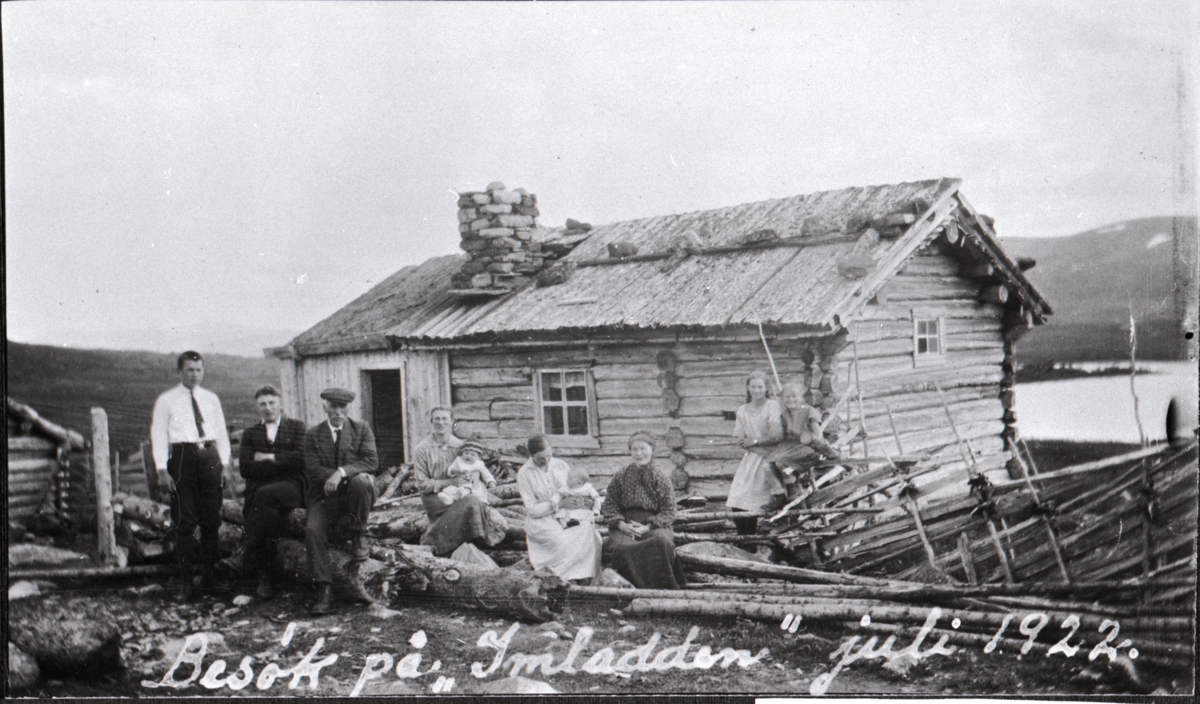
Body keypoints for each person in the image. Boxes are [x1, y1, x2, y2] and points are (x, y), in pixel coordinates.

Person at [151, 351, 232, 602]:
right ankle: (186, 582)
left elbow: (221, 433)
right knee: (184, 522)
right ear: (180, 372)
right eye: (189, 370)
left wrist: (225, 464)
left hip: (208, 456)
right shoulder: (167, 400)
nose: (195, 374)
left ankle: (209, 577)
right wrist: (162, 469)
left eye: (199, 369)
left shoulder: (211, 399)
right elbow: (158, 434)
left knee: (211, 519)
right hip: (182, 458)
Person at [303, 387, 379, 615]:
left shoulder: (361, 428)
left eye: (342, 406)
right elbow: (313, 469)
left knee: (363, 482)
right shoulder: (312, 435)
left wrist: (341, 472)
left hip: (354, 497)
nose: (338, 411)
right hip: (324, 497)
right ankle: (323, 589)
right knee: (312, 530)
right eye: (333, 406)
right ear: (324, 407)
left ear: (348, 407)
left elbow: (371, 461)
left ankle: (358, 534)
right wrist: (332, 477)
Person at [238, 385, 307, 600]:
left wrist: (268, 458)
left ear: (280, 403)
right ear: (257, 407)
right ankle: (267, 577)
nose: (268, 408)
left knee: (264, 496)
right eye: (263, 404)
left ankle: (247, 557)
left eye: (271, 403)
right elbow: (245, 468)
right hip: (262, 492)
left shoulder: (297, 427)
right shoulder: (250, 434)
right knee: (269, 514)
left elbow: (302, 458)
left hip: (292, 487)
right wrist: (282, 461)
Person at [413, 408, 508, 556]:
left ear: (452, 422)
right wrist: (449, 481)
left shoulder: (461, 446)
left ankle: (469, 546)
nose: (440, 422)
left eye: (444, 419)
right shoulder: (422, 449)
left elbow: (476, 465)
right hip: (435, 498)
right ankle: (435, 543)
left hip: (461, 493)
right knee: (471, 502)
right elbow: (422, 485)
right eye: (436, 419)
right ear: (431, 422)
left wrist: (476, 473)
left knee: (473, 501)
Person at [600, 433, 687, 589]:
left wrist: (647, 527)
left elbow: (669, 510)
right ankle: (634, 589)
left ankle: (663, 588)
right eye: (634, 449)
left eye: (643, 448)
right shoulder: (621, 475)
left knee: (661, 542)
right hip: (624, 525)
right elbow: (609, 505)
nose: (639, 454)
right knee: (621, 548)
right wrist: (621, 525)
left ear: (652, 449)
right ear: (630, 452)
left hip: (653, 524)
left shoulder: (661, 477)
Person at [516, 435, 601, 582]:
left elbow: (574, 489)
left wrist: (582, 502)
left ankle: (585, 577)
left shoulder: (561, 465)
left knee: (589, 532)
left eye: (549, 455)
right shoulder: (524, 473)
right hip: (541, 520)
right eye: (540, 458)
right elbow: (532, 509)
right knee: (560, 541)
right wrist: (559, 504)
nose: (546, 461)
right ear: (531, 456)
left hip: (566, 515)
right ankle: (559, 578)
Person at [726, 370, 785, 534]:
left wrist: (755, 440)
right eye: (753, 387)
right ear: (748, 388)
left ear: (766, 388)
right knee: (737, 498)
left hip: (770, 458)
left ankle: (751, 539)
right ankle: (743, 538)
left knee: (752, 500)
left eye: (760, 387)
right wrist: (756, 448)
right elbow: (739, 439)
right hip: (752, 457)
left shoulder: (772, 406)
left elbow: (777, 435)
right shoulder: (743, 410)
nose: (757, 390)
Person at [438, 439, 497, 505]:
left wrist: (491, 481)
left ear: (478, 457)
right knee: (451, 489)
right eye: (466, 453)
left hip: (471, 483)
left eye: (472, 454)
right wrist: (453, 471)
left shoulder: (479, 464)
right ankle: (448, 499)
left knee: (468, 490)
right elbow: (451, 469)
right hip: (458, 482)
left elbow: (486, 473)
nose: (468, 456)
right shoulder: (458, 460)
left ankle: (458, 497)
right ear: (462, 453)